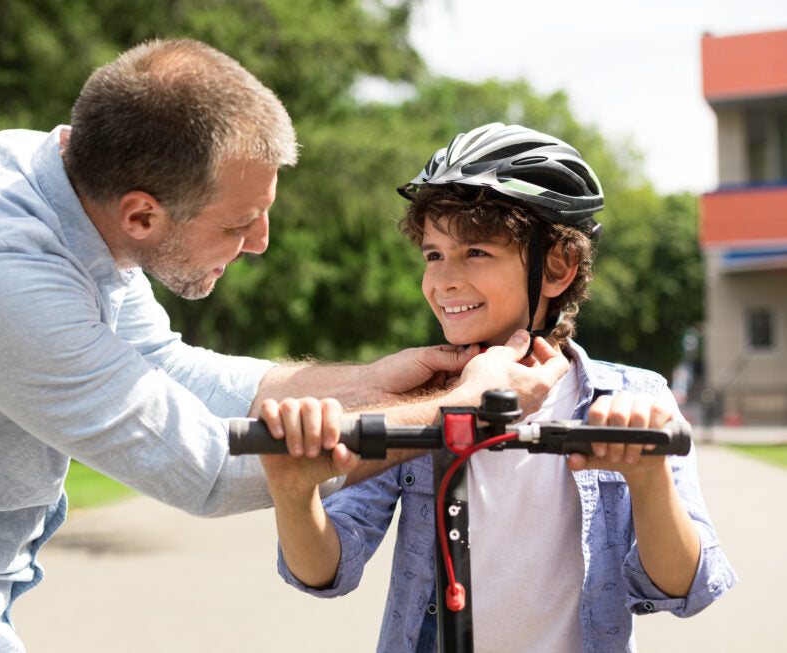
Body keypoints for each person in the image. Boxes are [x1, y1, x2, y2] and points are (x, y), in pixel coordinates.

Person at [0, 41, 571, 651]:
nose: (261, 243)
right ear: (141, 214)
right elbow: (206, 469)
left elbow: (172, 370)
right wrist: (468, 408)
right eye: (239, 223)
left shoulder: (59, 185)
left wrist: (374, 383)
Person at [262, 123, 738, 652]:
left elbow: (685, 586)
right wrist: (293, 491)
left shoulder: (633, 399)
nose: (442, 281)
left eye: (476, 253)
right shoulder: (419, 404)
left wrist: (649, 479)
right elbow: (329, 568)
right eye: (433, 254)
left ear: (556, 269)